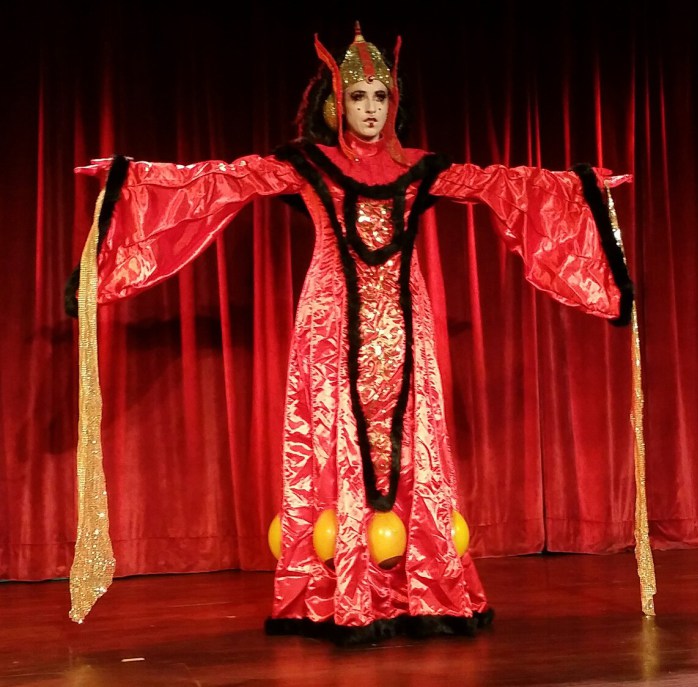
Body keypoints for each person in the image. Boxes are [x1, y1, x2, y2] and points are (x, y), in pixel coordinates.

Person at [66, 24, 632, 645]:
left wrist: (581, 186)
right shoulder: (309, 164)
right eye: (358, 96)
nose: (370, 108)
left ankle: (423, 589)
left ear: (395, 104)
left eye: (380, 96)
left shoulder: (419, 168)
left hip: (406, 322)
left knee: (412, 445)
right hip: (330, 324)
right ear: (335, 104)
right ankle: (341, 592)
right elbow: (220, 181)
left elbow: (502, 183)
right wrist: (132, 177)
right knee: (335, 440)